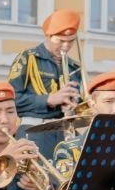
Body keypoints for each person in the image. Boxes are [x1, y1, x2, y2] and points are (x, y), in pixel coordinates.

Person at [7, 9, 84, 155]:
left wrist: (74, 107)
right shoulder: (28, 58)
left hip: (64, 133)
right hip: (34, 132)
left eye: (71, 41)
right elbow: (11, 100)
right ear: (48, 36)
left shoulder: (75, 67)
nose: (66, 47)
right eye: (61, 41)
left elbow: (81, 107)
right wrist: (49, 99)